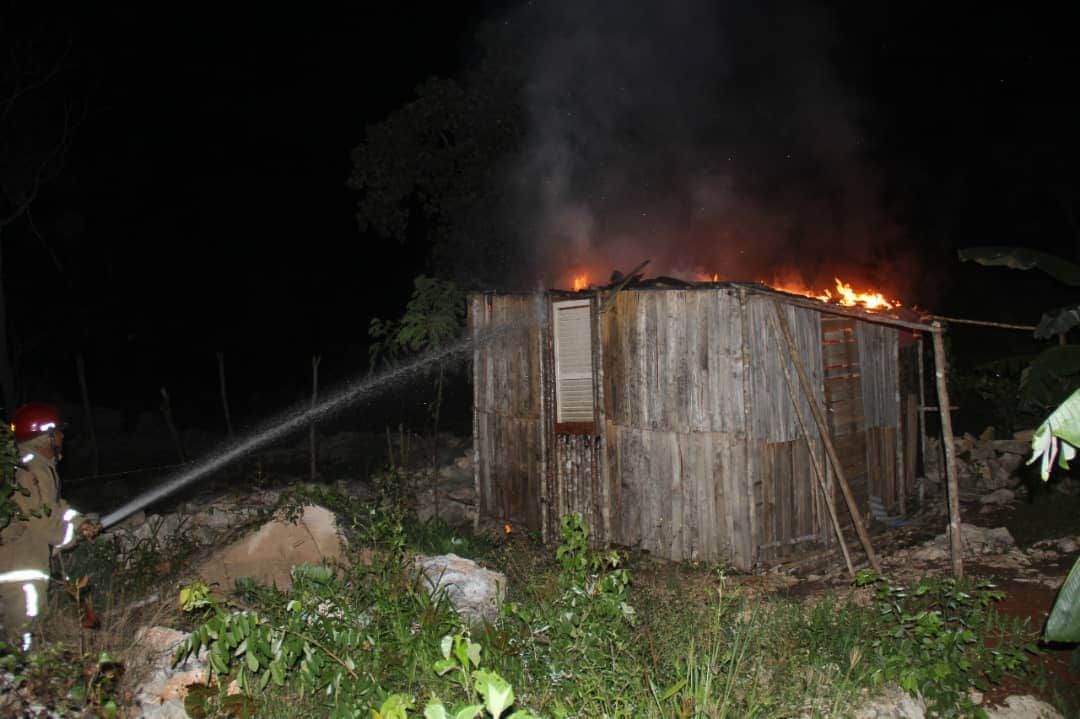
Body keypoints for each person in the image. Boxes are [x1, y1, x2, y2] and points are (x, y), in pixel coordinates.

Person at [0, 402, 96, 651]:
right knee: (23, 630)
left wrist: (79, 522)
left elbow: (53, 506)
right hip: (19, 564)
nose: (63, 437)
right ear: (46, 435)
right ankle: (19, 681)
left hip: (20, 561)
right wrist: (70, 536)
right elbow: (42, 520)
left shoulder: (35, 464)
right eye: (58, 432)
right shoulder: (32, 468)